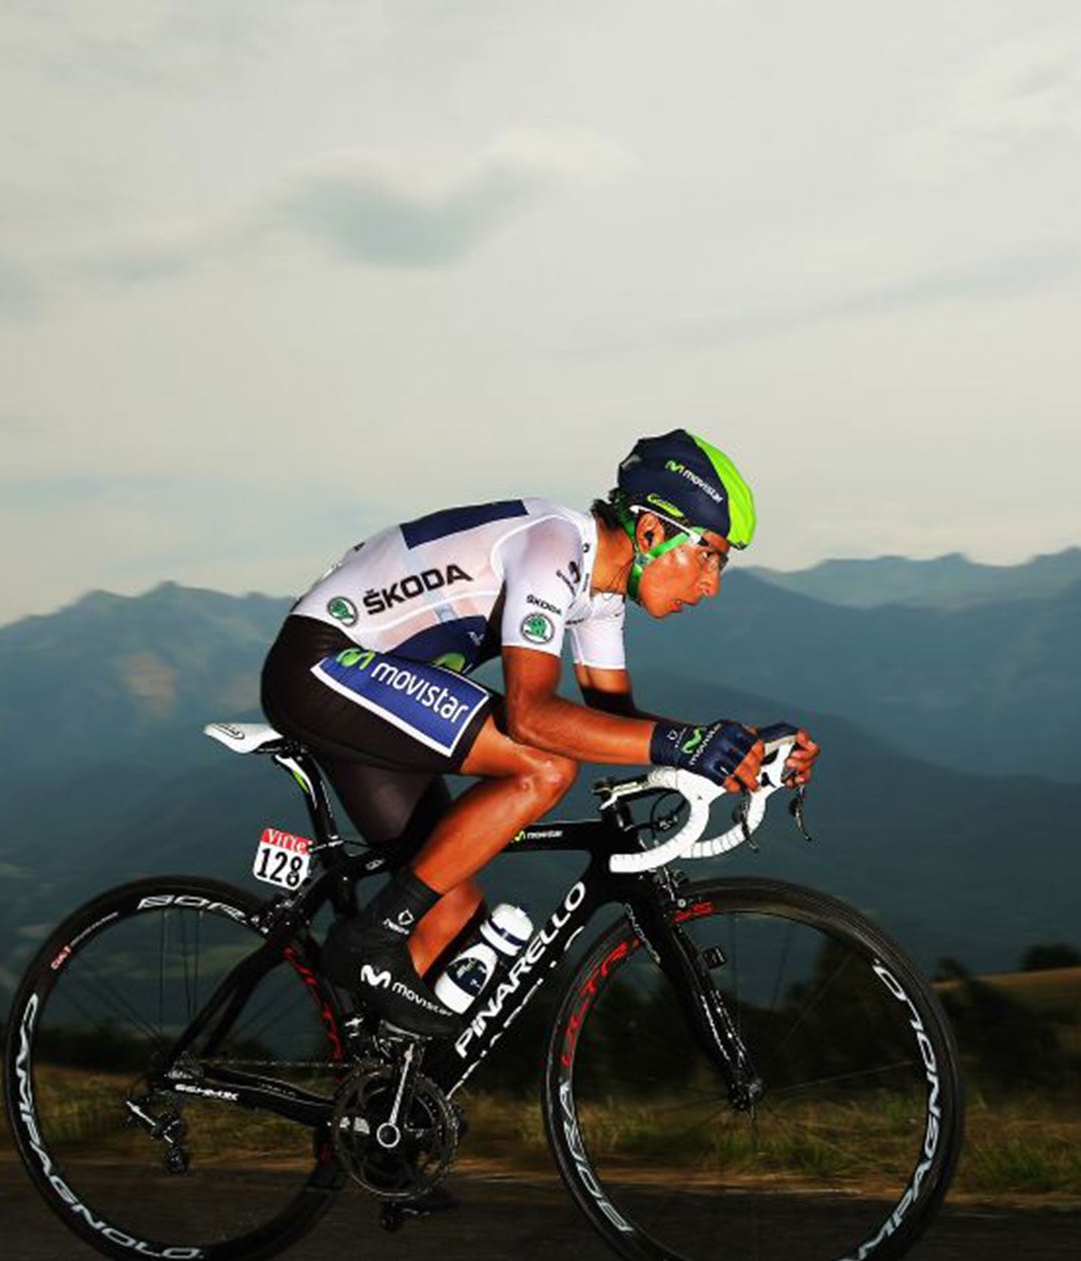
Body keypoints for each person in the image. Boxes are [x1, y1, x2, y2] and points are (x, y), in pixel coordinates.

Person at [259, 430, 819, 1035]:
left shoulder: (598, 598)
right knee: (545, 765)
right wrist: (690, 746)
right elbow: (532, 717)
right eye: (709, 554)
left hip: (380, 691)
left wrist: (737, 751)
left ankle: (369, 1099)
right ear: (653, 532)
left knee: (450, 916)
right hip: (322, 666)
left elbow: (616, 723)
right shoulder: (554, 546)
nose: (711, 584)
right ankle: (367, 940)